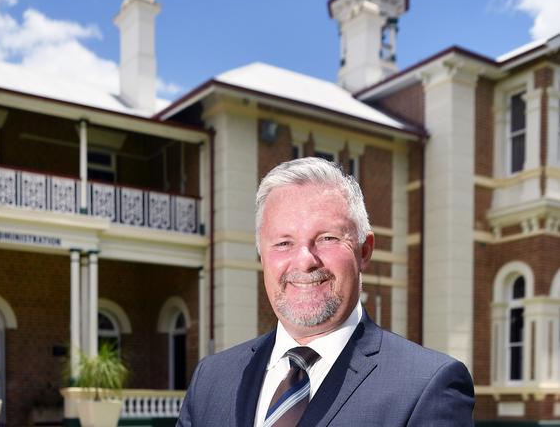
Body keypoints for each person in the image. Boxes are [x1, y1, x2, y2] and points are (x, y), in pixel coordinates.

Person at [178, 157, 474, 426]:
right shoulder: (211, 380)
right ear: (262, 255)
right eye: (283, 243)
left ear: (364, 250)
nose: (305, 260)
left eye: (327, 238)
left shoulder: (428, 386)